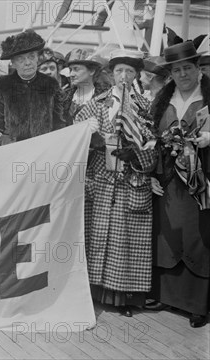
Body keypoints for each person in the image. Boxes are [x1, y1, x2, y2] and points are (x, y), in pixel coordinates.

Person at [74, 49, 157, 318]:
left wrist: (137, 153)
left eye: (129, 72)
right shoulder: (98, 103)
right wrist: (92, 142)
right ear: (111, 74)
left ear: (137, 76)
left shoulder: (146, 107)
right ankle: (94, 293)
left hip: (131, 180)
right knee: (98, 236)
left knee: (126, 239)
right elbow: (75, 131)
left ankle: (123, 299)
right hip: (101, 181)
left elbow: (157, 145)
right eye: (119, 71)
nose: (124, 76)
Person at [147, 41, 210, 328]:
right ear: (170, 73)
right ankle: (166, 296)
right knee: (167, 235)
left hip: (201, 180)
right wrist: (150, 174)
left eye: (188, 68)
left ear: (198, 69)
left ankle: (197, 304)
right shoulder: (163, 101)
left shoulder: (207, 97)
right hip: (168, 181)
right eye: (177, 69)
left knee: (197, 235)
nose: (183, 74)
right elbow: (149, 140)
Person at [0, 30, 66, 143]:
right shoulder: (2, 89)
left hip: (45, 150)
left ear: (37, 58)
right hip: (13, 152)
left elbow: (59, 123)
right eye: (21, 59)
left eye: (31, 56)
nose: (27, 62)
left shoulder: (51, 86)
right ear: (13, 63)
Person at [63, 48, 109, 122]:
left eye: (76, 69)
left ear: (92, 71)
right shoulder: (63, 97)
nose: (71, 74)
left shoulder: (105, 98)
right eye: (70, 70)